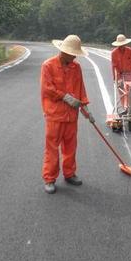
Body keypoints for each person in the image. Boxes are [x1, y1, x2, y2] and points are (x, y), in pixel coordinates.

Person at [40, 34, 95, 194]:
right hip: (54, 115)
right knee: (52, 148)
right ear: (63, 51)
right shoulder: (48, 66)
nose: (73, 56)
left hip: (72, 115)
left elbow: (80, 90)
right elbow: (47, 89)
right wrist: (64, 96)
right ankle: (49, 178)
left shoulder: (76, 67)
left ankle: (69, 173)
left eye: (75, 54)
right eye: (71, 53)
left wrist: (86, 111)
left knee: (70, 147)